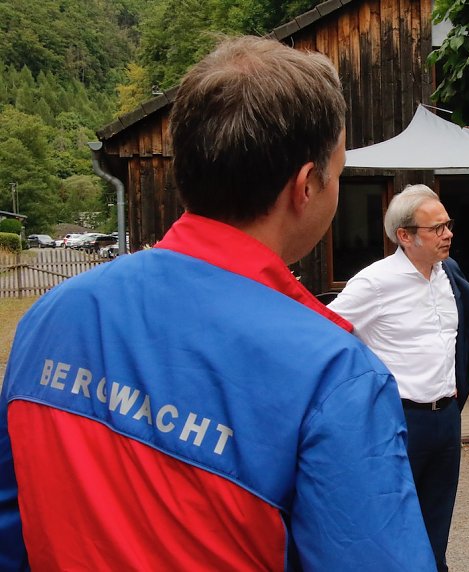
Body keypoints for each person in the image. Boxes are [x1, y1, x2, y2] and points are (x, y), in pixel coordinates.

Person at [0, 36, 436, 571]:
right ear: (305, 186)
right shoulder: (332, 373)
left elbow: (11, 528)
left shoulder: (52, 316)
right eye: (339, 173)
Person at [328, 184, 469, 571]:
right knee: (390, 523)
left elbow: (460, 333)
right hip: (397, 420)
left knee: (437, 522)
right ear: (405, 235)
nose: (448, 234)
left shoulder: (449, 274)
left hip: (446, 417)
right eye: (437, 228)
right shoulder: (374, 282)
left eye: (448, 224)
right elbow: (326, 333)